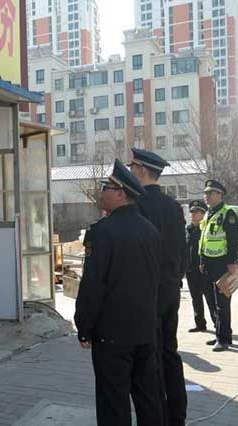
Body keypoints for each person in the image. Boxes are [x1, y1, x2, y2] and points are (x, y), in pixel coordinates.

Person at [75, 159, 163, 426]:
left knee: (113, 402)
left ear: (121, 193)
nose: (101, 192)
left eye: (106, 187)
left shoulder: (102, 232)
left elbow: (93, 285)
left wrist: (84, 326)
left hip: (112, 334)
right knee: (148, 398)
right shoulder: (150, 230)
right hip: (145, 330)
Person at [128, 148, 187, 426]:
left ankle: (157, 417)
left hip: (146, 293)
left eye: (131, 167)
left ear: (140, 170)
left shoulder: (136, 204)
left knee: (149, 359)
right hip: (170, 289)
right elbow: (182, 250)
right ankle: (177, 415)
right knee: (169, 352)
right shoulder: (173, 206)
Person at [199, 179, 238, 352]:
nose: (206, 196)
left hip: (222, 263)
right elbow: (204, 239)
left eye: (209, 193)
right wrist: (201, 260)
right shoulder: (209, 213)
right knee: (212, 299)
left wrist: (231, 262)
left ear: (219, 195)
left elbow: (233, 240)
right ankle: (221, 333)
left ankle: (223, 339)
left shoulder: (227, 213)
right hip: (208, 262)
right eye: (205, 193)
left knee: (222, 301)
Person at [185, 200, 217, 333]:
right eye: (191, 211)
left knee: (210, 298)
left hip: (203, 269)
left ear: (203, 214)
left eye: (196, 212)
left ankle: (218, 326)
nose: (192, 214)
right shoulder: (188, 229)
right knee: (196, 298)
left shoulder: (206, 229)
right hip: (191, 269)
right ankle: (200, 324)